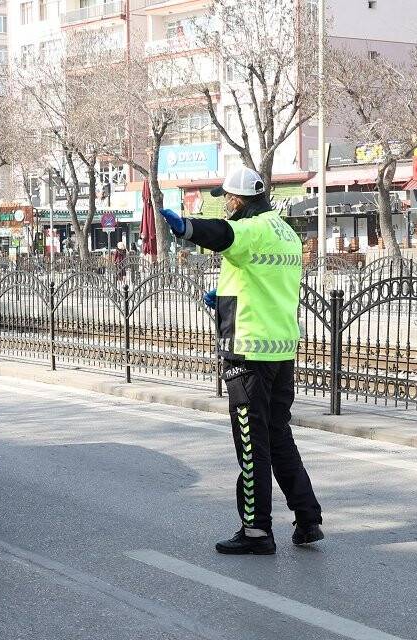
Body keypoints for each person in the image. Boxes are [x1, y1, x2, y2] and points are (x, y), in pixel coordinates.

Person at [160, 166, 323, 555]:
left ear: (236, 200)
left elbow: (223, 236)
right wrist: (226, 296)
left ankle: (256, 531)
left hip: (249, 351)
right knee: (279, 436)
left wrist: (185, 227)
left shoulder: (249, 229)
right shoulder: (286, 232)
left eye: (227, 199)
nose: (226, 206)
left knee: (252, 444)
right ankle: (307, 518)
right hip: (281, 348)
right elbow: (262, 280)